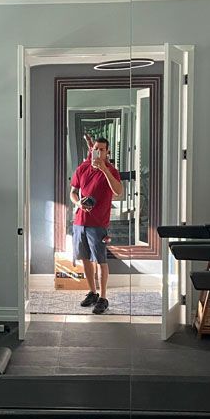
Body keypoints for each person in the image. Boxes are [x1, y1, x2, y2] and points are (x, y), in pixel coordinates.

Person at [69, 134, 123, 314]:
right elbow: (73, 193)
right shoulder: (82, 168)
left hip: (98, 223)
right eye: (96, 149)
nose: (98, 152)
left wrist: (104, 170)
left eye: (102, 150)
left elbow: (118, 192)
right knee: (85, 258)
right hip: (79, 221)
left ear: (107, 152)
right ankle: (92, 292)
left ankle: (104, 297)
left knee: (101, 260)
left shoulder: (111, 170)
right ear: (91, 150)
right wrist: (78, 204)